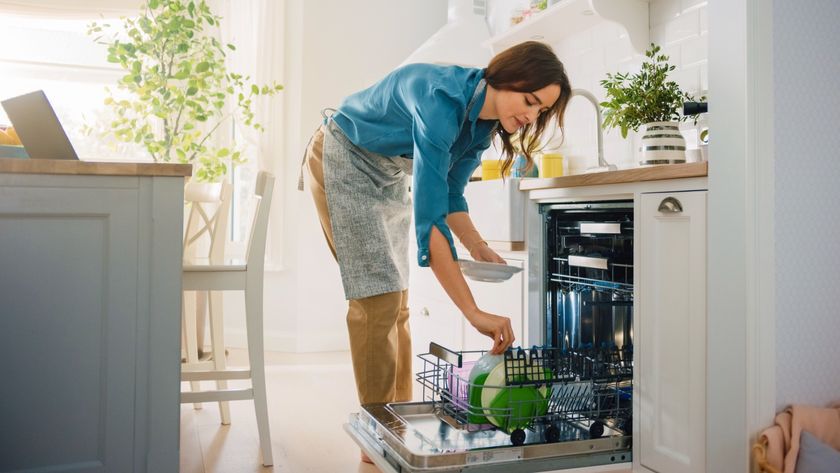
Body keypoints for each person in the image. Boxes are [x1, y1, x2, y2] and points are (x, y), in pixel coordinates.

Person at [300, 40, 571, 463]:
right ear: (505, 76)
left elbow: (450, 194)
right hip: (344, 156)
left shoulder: (482, 126)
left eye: (541, 111)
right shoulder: (440, 100)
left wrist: (478, 246)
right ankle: (376, 439)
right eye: (530, 100)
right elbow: (431, 224)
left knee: (398, 301)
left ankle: (396, 423)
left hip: (385, 171)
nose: (531, 115)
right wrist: (474, 312)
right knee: (377, 299)